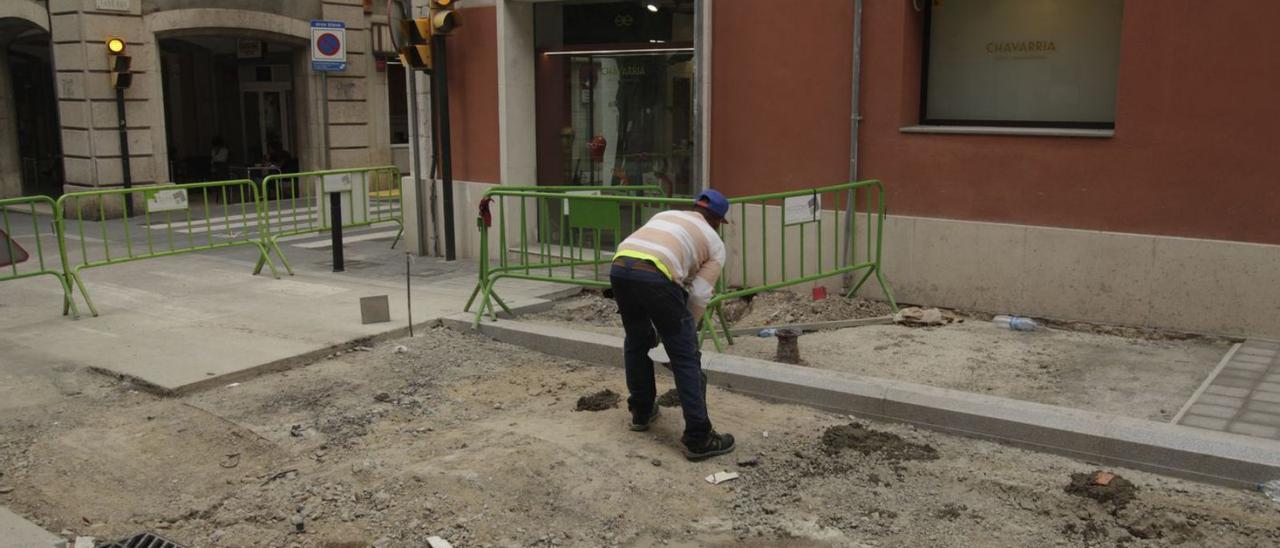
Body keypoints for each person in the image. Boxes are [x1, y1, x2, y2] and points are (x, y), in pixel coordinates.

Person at [609, 189, 734, 461]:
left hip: (620, 266)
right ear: (718, 221)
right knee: (685, 358)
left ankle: (641, 411)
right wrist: (685, 331)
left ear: (694, 207)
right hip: (656, 274)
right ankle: (699, 438)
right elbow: (700, 294)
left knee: (637, 340)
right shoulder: (715, 243)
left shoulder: (665, 214)